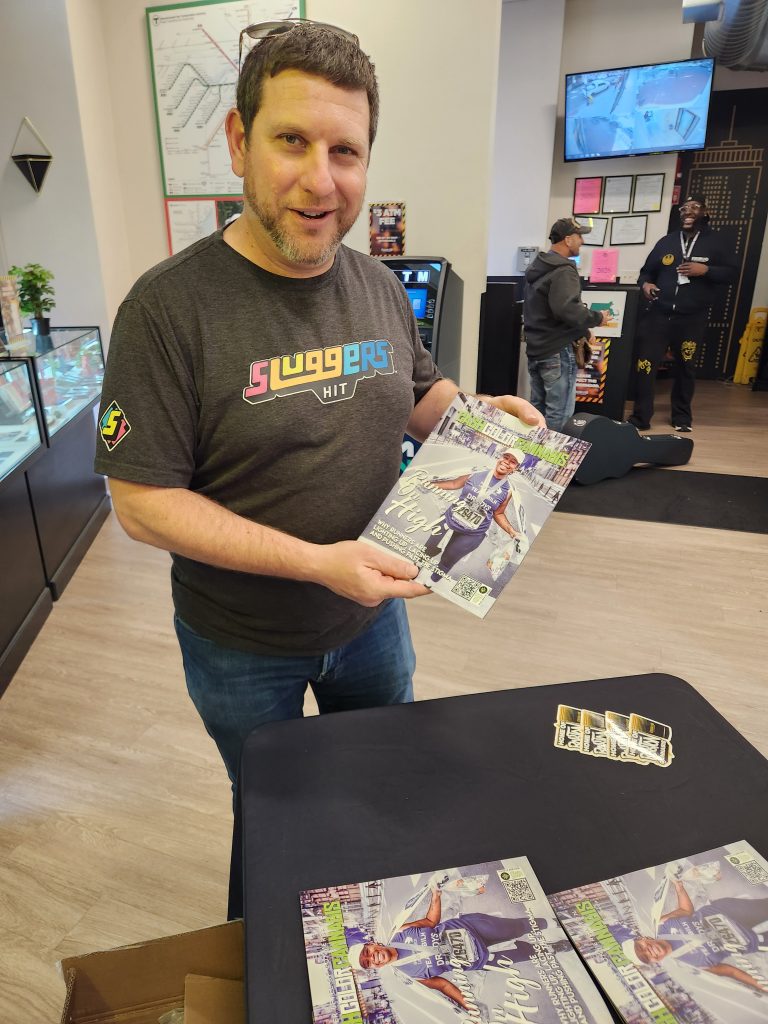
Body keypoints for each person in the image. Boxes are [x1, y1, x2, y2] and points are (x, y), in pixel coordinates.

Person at [94, 18, 543, 912]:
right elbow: (141, 503)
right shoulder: (166, 310)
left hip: (372, 622)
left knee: (381, 790)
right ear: (239, 141)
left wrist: (481, 418)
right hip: (240, 643)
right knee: (278, 822)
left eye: (346, 151)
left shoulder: (378, 285)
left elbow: (417, 391)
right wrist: (315, 562)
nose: (320, 179)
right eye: (291, 141)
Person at [347, 881, 568, 1012]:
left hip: (472, 927)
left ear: (372, 944)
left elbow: (430, 922)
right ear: (374, 968)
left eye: (367, 952)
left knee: (516, 927)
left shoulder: (401, 931)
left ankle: (552, 923)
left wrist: (436, 895)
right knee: (525, 953)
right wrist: (469, 1006)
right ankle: (554, 948)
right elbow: (443, 986)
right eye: (368, 963)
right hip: (480, 959)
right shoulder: (408, 976)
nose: (372, 958)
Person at [628, 193, 737, 432]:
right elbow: (646, 272)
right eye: (684, 208)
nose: (688, 211)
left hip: (692, 318)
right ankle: (640, 418)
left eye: (695, 207)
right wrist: (646, 285)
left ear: (706, 212)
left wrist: (706, 270)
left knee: (686, 367)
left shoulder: (717, 243)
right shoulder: (666, 242)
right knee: (645, 365)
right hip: (658, 315)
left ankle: (681, 417)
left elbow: (731, 273)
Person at [524, 218, 609, 431]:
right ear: (568, 239)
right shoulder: (564, 270)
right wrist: (598, 318)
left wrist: (584, 330)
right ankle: (554, 453)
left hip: (537, 349)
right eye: (579, 237)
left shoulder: (539, 268)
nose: (582, 241)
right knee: (559, 413)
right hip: (557, 352)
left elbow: (553, 310)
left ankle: (534, 451)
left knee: (536, 412)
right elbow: (567, 309)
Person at [622, 877, 768, 994]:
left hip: (733, 911)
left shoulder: (663, 924)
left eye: (640, 947)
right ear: (655, 961)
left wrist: (680, 888)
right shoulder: (689, 966)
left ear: (642, 939)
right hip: (754, 940)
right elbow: (732, 972)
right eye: (646, 957)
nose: (647, 951)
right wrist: (762, 986)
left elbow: (686, 911)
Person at [420, 448, 526, 585]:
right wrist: (430, 485)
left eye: (512, 462)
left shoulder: (508, 490)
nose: (507, 462)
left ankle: (429, 583)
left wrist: (512, 531)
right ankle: (414, 568)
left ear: (516, 468)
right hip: (450, 520)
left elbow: (498, 513)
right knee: (429, 549)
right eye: (506, 457)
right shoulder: (477, 472)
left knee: (448, 559)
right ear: (500, 457)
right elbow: (454, 484)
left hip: (474, 533)